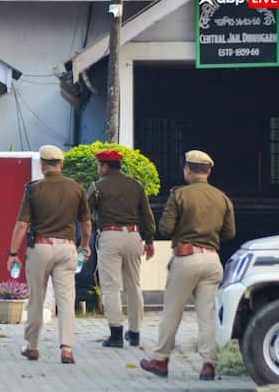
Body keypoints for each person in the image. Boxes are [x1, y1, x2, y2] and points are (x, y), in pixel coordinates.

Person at [140, 150, 235, 381]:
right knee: (206, 315)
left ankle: (161, 360)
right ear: (209, 171)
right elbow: (230, 233)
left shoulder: (179, 195)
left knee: (172, 311)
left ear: (188, 170)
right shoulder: (222, 197)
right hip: (212, 260)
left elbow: (166, 229)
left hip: (186, 259)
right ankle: (209, 364)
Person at [6, 145, 92, 363]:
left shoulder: (33, 189)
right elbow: (86, 221)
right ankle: (67, 348)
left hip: (41, 248)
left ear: (42, 166)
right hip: (67, 248)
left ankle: (33, 346)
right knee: (66, 299)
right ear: (61, 165)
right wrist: (85, 244)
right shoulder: (77, 189)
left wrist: (12, 252)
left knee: (37, 298)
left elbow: (22, 225)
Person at [86, 149, 155, 348]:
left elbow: (85, 212)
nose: (99, 169)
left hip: (110, 236)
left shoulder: (97, 187)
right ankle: (135, 334)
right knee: (134, 285)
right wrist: (149, 241)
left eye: (100, 165)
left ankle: (116, 334)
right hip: (134, 236)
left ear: (105, 166)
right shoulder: (136, 185)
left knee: (111, 287)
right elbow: (147, 216)